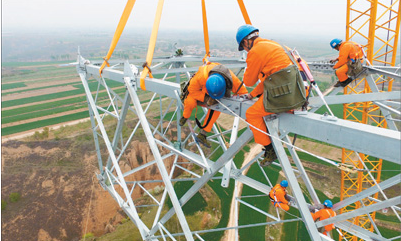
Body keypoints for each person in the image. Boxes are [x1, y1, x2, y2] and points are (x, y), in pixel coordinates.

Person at [236, 24, 306, 166]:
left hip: (282, 93)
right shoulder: (273, 44)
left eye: (243, 46)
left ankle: (269, 149)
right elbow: (273, 78)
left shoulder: (255, 51)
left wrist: (251, 67)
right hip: (297, 92)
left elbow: (249, 81)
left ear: (245, 41)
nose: (245, 49)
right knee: (263, 105)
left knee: (252, 114)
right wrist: (252, 95)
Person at [179, 62, 248, 147]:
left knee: (217, 106)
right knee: (190, 102)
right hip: (200, 91)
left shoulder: (232, 79)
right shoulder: (200, 77)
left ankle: (203, 134)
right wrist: (206, 98)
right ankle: (185, 116)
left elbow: (243, 93)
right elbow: (192, 90)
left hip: (212, 92)